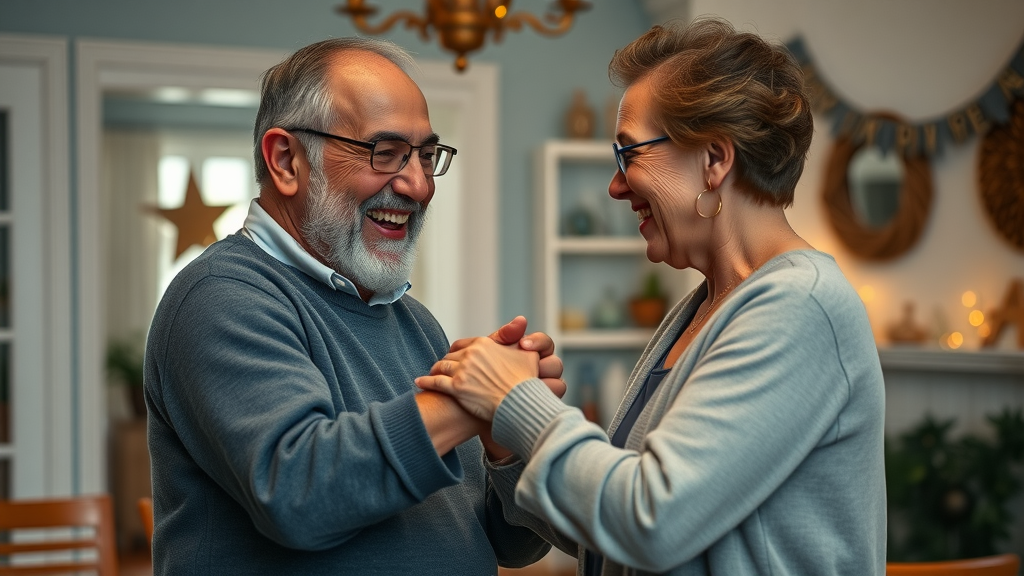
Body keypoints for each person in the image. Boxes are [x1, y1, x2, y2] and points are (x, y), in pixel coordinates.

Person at [417, 17, 887, 576]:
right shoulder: (698, 310)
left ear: (714, 159)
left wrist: (516, 397)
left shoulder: (802, 306)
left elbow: (652, 518)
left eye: (629, 153)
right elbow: (608, 527)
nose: (616, 185)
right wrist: (507, 441)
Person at [144, 37, 562, 575]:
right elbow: (298, 494)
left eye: (427, 156)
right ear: (286, 160)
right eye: (384, 153)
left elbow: (510, 546)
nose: (418, 186)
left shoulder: (415, 324)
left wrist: (506, 442)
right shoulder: (219, 297)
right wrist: (476, 397)